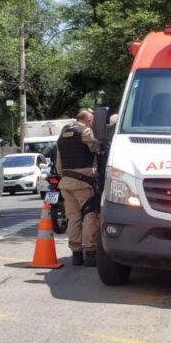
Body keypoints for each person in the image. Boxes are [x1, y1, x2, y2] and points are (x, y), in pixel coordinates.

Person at [56, 108, 101, 266]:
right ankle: (90, 252)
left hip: (66, 183)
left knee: (73, 217)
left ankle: (76, 253)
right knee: (90, 215)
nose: (92, 123)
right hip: (83, 183)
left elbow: (59, 165)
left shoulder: (63, 135)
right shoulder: (86, 132)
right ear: (88, 120)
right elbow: (98, 148)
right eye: (92, 120)